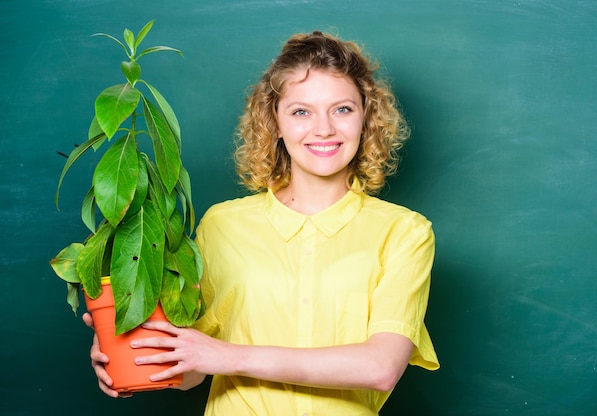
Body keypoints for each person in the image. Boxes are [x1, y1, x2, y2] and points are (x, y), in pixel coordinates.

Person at [84, 30, 439, 415]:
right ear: (275, 122)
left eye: (342, 109)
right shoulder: (221, 224)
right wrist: (126, 348)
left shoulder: (405, 232)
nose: (323, 129)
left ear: (366, 118)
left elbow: (380, 367)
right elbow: (193, 368)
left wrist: (230, 357)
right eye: (301, 111)